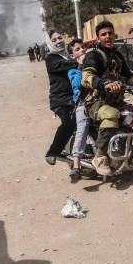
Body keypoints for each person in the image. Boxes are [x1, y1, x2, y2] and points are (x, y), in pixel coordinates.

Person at [81, 20, 133, 176]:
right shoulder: (94, 55)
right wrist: (103, 84)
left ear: (115, 34)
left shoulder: (117, 55)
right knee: (111, 114)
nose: (108, 36)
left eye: (110, 33)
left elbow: (129, 77)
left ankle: (119, 151)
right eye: (103, 34)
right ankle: (100, 156)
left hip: (116, 101)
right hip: (96, 102)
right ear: (98, 38)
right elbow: (86, 76)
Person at [44, 31, 77, 165]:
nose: (58, 41)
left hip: (73, 97)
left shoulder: (67, 56)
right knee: (69, 124)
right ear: (49, 43)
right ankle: (53, 152)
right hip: (60, 100)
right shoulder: (51, 58)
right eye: (54, 40)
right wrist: (78, 60)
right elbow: (64, 66)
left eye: (60, 38)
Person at [67, 38, 91, 182]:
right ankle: (76, 165)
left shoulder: (95, 64)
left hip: (101, 101)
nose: (82, 50)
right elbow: (76, 85)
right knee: (82, 127)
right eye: (77, 49)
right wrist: (82, 66)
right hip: (83, 103)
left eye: (83, 47)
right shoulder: (73, 71)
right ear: (72, 56)